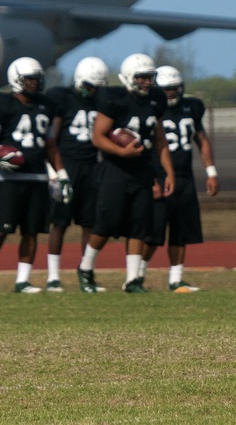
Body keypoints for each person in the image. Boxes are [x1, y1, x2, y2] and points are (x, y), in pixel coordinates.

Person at [0, 57, 72, 295]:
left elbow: (50, 146)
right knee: (1, 229)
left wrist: (62, 173)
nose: (34, 84)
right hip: (9, 178)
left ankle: (22, 280)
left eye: (37, 79)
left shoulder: (46, 106)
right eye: (29, 79)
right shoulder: (2, 104)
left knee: (31, 230)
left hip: (37, 176)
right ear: (17, 80)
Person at [77, 53, 174, 294]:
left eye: (149, 77)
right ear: (129, 77)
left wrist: (168, 173)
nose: (146, 82)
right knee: (105, 224)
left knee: (139, 226)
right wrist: (122, 153)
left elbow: (160, 140)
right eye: (141, 77)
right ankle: (85, 268)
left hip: (142, 170)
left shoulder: (156, 100)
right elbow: (98, 137)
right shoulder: (114, 99)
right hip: (115, 170)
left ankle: (133, 280)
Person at [141, 65, 219, 292]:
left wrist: (211, 171)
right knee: (153, 233)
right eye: (166, 89)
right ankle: (137, 277)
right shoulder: (151, 109)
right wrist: (150, 179)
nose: (171, 93)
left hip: (184, 177)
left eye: (175, 88)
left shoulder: (191, 107)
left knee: (181, 231)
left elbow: (201, 140)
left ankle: (176, 279)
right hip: (159, 175)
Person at [43, 57, 109, 292]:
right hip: (68, 165)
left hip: (92, 166)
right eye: (90, 86)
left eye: (97, 87)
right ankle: (53, 276)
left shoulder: (101, 103)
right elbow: (52, 138)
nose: (93, 91)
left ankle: (86, 274)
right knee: (59, 223)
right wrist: (56, 171)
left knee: (89, 223)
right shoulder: (64, 99)